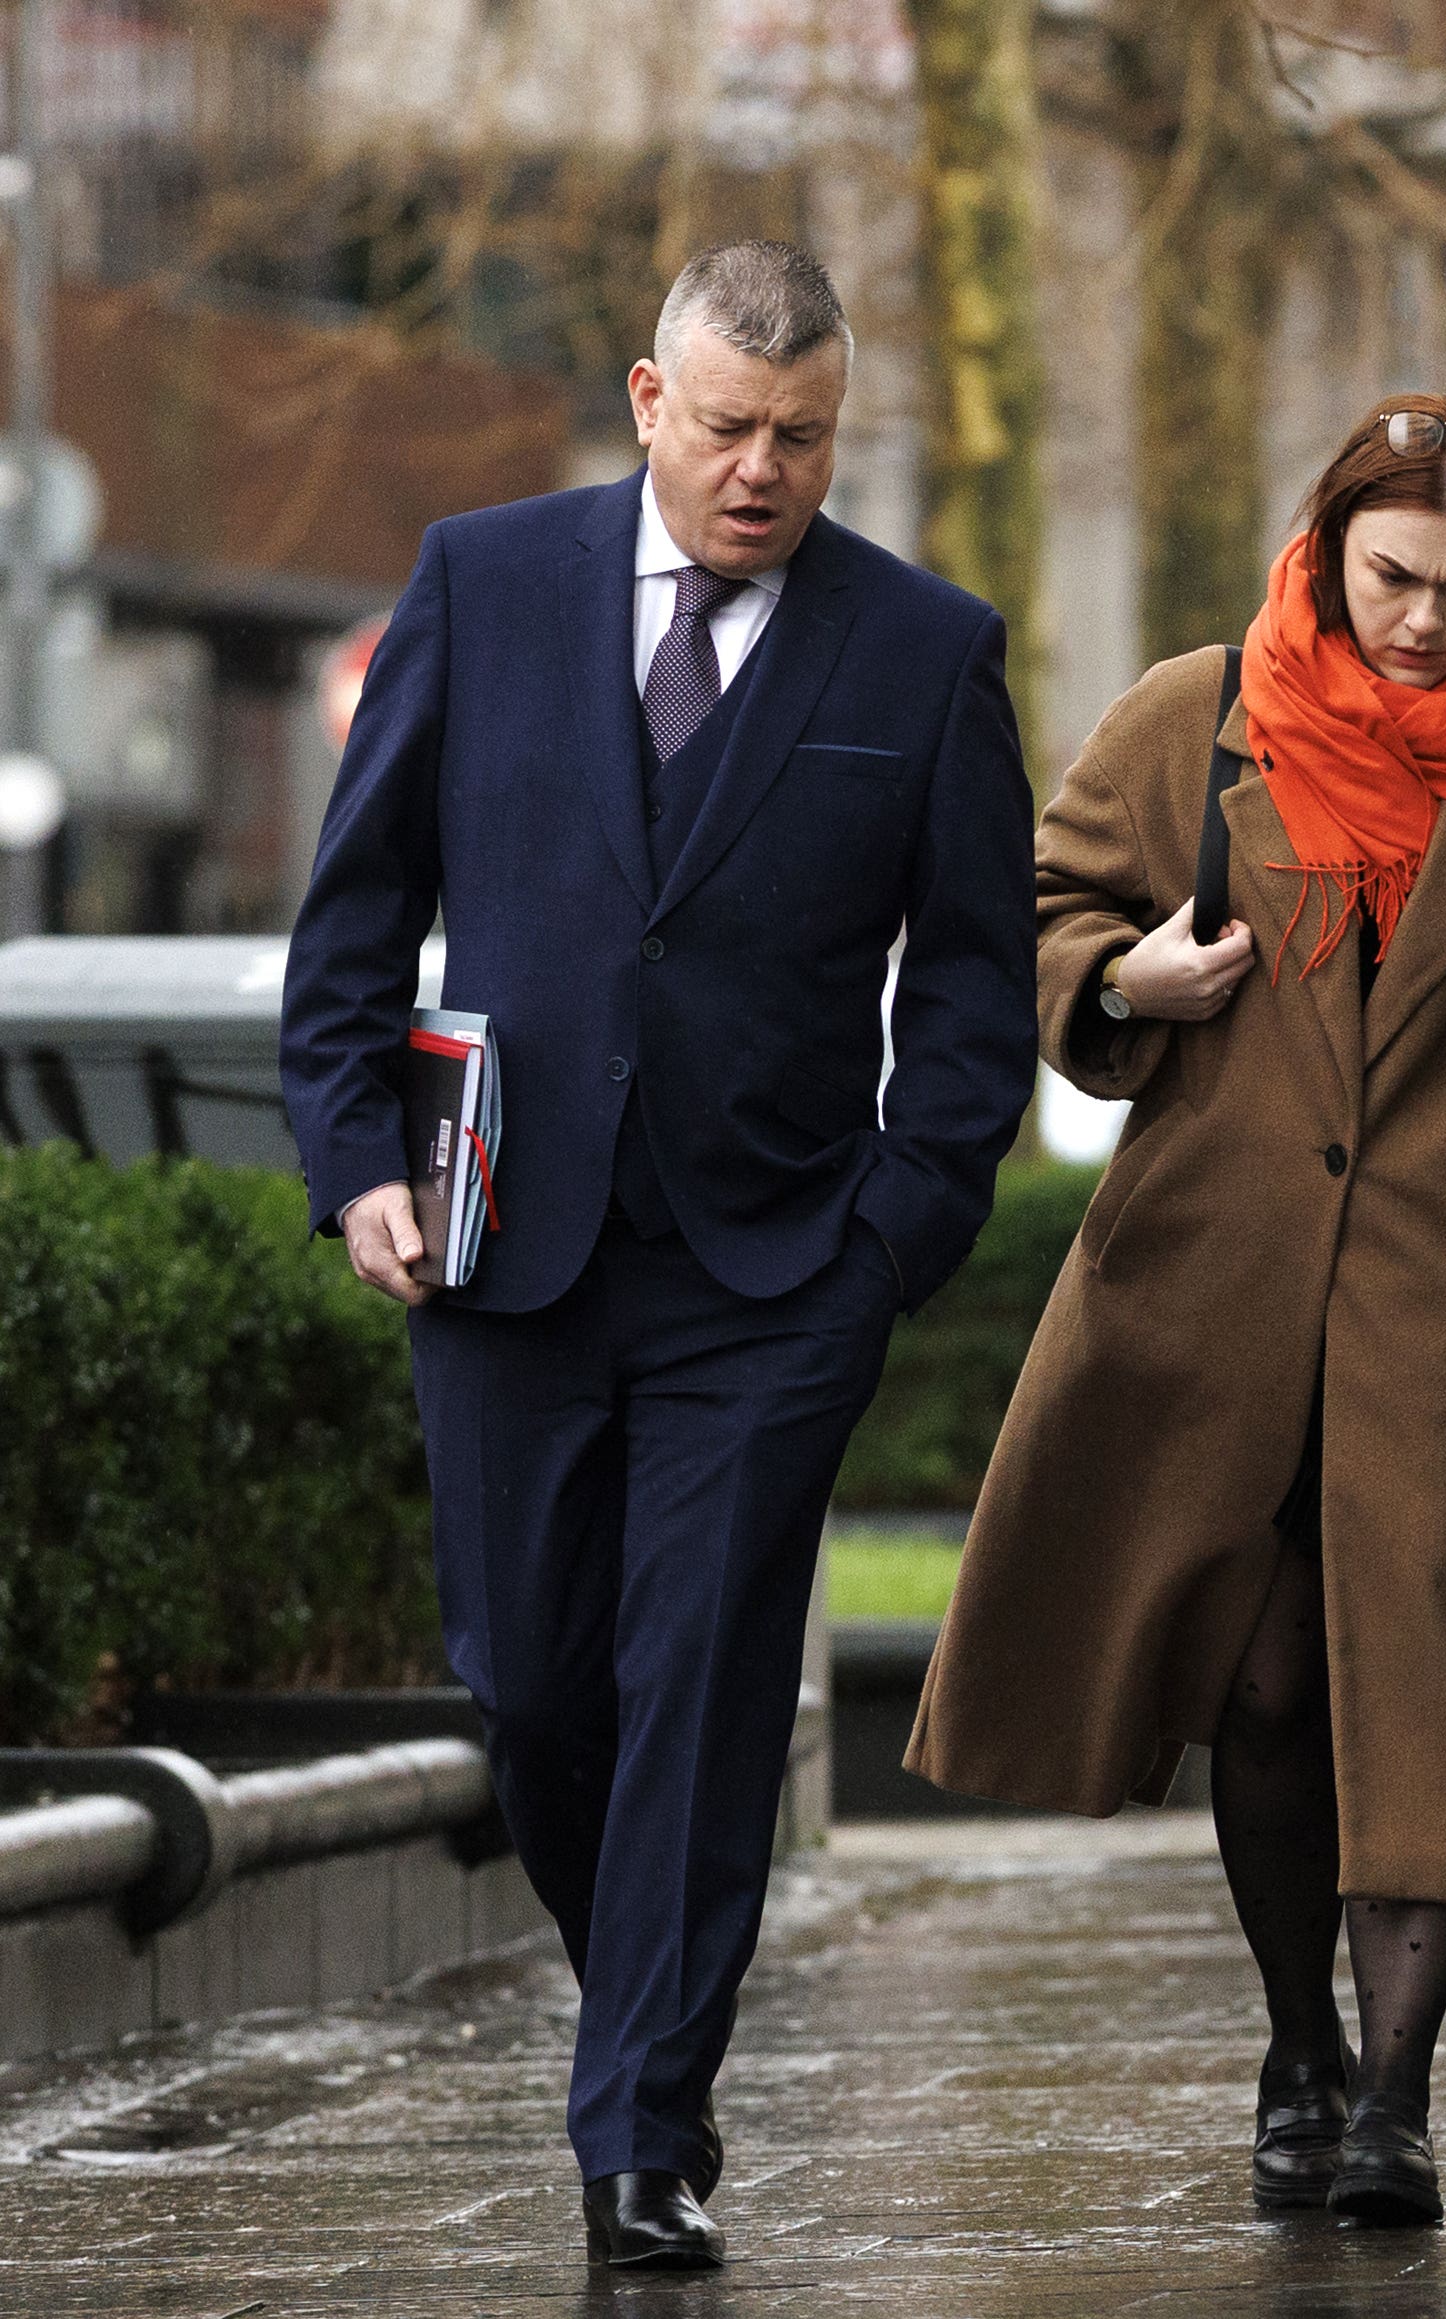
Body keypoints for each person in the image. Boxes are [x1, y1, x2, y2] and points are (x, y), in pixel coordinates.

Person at [278, 242, 1038, 2270]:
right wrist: (355, 1160)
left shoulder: (924, 649)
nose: (759, 472)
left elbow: (973, 991)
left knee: (699, 1685)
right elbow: (355, 920)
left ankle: (639, 2128)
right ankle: (640, 1998)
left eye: (801, 437)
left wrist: (894, 1231)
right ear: (642, 401)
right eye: (723, 429)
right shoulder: (483, 580)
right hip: (497, 1248)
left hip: (774, 1275)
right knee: (530, 1686)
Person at [906, 393, 1446, 2227]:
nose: (1423, 618)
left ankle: (1399, 2097)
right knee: (1263, 1684)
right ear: (1327, 544)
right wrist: (1123, 972)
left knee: (1425, 1698)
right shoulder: (1196, 715)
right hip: (1209, 1285)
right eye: (1390, 575)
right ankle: (1299, 2044)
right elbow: (1021, 910)